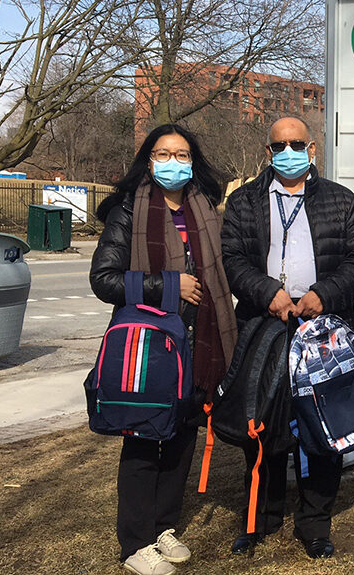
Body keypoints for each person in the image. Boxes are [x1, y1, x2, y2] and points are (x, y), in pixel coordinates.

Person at [220, 116, 354, 559]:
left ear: (312, 149)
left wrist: (324, 295)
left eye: (297, 144)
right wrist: (267, 292)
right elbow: (232, 258)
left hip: (323, 328)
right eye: (279, 146)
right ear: (268, 152)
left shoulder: (342, 201)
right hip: (263, 325)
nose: (288, 152)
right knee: (262, 425)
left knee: (322, 427)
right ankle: (260, 518)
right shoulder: (245, 201)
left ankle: (315, 525)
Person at [90, 124, 238, 575]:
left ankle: (163, 526)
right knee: (142, 440)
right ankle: (135, 543)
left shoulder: (205, 207)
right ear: (148, 159)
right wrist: (169, 286)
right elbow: (104, 279)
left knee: (182, 437)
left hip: (197, 342)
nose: (173, 162)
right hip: (150, 346)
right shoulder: (127, 210)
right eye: (163, 153)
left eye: (182, 154)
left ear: (194, 160)